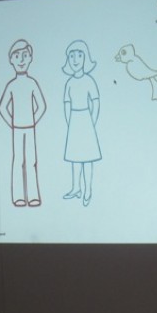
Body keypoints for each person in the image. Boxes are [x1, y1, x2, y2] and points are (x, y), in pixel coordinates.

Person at [0, 39, 47, 207]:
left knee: (31, 160)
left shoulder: (32, 83)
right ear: (11, 60)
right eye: (17, 56)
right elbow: (2, 107)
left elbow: (42, 106)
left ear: (30, 58)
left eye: (25, 55)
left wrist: (33, 120)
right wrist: (12, 123)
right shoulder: (11, 85)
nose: (21, 60)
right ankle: (18, 197)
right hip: (17, 129)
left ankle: (33, 196)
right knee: (18, 160)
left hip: (29, 128)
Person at [62, 40, 102, 207]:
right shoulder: (69, 82)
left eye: (79, 55)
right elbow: (66, 102)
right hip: (74, 121)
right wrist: (69, 121)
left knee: (88, 158)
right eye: (71, 56)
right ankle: (76, 188)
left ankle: (88, 190)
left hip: (86, 120)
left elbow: (96, 101)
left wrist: (92, 120)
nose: (75, 59)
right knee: (75, 158)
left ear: (86, 58)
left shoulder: (89, 80)